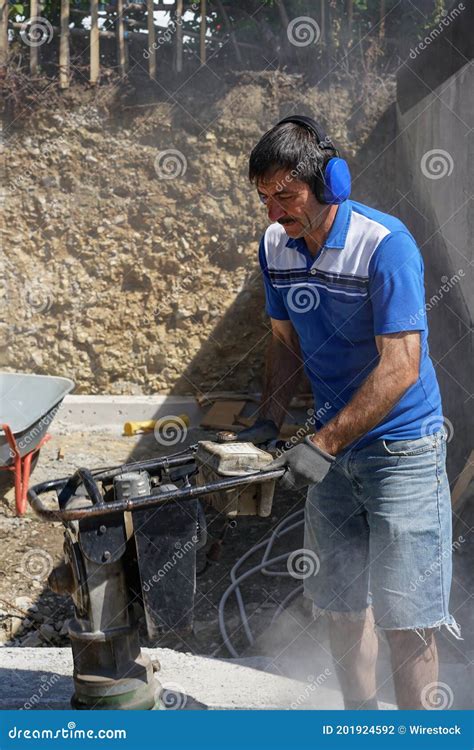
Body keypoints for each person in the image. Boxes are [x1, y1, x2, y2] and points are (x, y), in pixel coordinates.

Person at [243, 115, 461, 710]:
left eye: (285, 196)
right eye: (264, 198)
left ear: (330, 183)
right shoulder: (275, 245)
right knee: (339, 605)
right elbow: (284, 341)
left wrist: (323, 444)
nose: (273, 213)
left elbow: (401, 367)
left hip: (402, 454)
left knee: (408, 620)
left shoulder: (384, 246)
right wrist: (267, 421)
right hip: (332, 448)